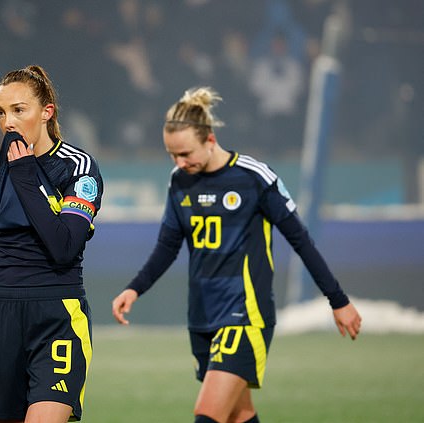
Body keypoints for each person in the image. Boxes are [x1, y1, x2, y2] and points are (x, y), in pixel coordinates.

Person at [111, 87, 361, 423]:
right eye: (172, 155)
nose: (180, 163)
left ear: (210, 140)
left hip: (245, 314)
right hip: (202, 316)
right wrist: (135, 287)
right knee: (238, 416)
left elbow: (300, 240)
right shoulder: (180, 182)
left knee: (208, 414)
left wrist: (338, 300)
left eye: (185, 153)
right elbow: (168, 246)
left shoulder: (253, 177)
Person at [0, 65, 103, 423]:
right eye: (0, 112)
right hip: (2, 320)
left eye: (19, 110)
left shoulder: (76, 168)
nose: (8, 122)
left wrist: (27, 176)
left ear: (47, 112)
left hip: (57, 317)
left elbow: (64, 247)